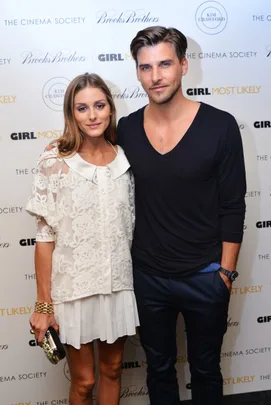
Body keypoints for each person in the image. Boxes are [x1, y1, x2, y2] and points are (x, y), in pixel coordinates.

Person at [116, 26, 246, 405]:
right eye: (145, 67)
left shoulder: (220, 125)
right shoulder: (125, 129)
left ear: (184, 66)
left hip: (206, 275)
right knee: (158, 369)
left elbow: (233, 204)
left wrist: (225, 273)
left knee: (206, 370)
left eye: (165, 64)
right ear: (138, 72)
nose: (155, 76)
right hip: (148, 277)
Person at [26, 73, 139, 405]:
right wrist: (44, 305)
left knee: (114, 369)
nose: (93, 115)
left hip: (117, 285)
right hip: (73, 291)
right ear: (70, 114)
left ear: (110, 108)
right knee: (84, 381)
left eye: (99, 105)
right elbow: (45, 237)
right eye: (82, 108)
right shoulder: (55, 159)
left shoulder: (124, 158)